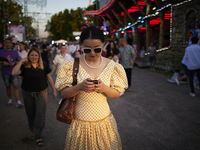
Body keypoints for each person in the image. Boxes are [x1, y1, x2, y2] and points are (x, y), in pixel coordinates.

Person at [56, 26, 128, 150]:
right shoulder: (71, 64)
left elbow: (116, 94)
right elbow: (64, 94)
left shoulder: (112, 66)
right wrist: (79, 87)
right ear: (81, 46)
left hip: (104, 122)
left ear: (103, 45)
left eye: (97, 49)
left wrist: (104, 88)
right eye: (87, 49)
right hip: (80, 123)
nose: (93, 53)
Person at [12, 47, 57, 146]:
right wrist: (21, 62)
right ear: (28, 56)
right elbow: (14, 72)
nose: (34, 57)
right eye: (32, 55)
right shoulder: (25, 66)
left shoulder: (44, 65)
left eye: (36, 55)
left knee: (40, 113)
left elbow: (49, 77)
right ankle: (33, 127)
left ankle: (38, 135)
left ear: (39, 56)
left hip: (42, 93)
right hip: (27, 93)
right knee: (30, 113)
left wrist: (54, 90)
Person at [0, 38, 23, 107]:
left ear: (11, 44)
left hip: (14, 72)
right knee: (8, 86)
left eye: (9, 43)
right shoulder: (1, 52)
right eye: (6, 42)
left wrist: (14, 63)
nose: (8, 44)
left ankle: (18, 101)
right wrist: (3, 63)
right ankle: (10, 99)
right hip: (5, 72)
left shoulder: (15, 52)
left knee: (16, 86)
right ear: (4, 44)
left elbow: (19, 61)